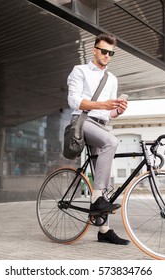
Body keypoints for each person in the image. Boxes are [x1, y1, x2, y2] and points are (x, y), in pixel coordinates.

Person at [67, 33, 129, 245]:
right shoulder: (80, 71)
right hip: (83, 122)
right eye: (104, 51)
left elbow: (107, 114)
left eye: (111, 53)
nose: (107, 56)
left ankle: (103, 230)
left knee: (105, 182)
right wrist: (103, 105)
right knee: (111, 142)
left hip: (100, 125)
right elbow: (74, 100)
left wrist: (117, 111)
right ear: (94, 50)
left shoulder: (112, 79)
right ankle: (96, 199)